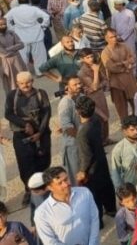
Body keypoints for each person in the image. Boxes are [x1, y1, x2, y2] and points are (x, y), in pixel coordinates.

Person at [5, 72, 51, 205]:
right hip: (21, 135)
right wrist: (25, 124)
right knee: (25, 164)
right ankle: (29, 190)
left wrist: (40, 133)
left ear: (32, 81)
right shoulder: (12, 96)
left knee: (43, 161)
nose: (25, 85)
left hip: (41, 133)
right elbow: (8, 114)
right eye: (22, 83)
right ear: (17, 83)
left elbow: (47, 113)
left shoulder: (40, 93)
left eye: (28, 82)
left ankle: (44, 188)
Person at [75, 95, 117, 228]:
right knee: (106, 185)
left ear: (78, 111)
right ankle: (111, 209)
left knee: (94, 195)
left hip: (91, 169)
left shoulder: (82, 132)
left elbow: (86, 155)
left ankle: (98, 222)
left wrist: (82, 171)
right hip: (101, 160)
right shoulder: (96, 120)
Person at [34, 166, 99, 245]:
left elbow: (94, 218)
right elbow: (50, 241)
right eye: (60, 183)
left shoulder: (85, 193)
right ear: (50, 187)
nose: (66, 184)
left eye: (66, 179)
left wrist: (92, 243)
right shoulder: (42, 213)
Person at [101, 28, 137, 119]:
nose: (114, 39)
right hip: (116, 83)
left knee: (135, 102)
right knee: (121, 107)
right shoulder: (105, 53)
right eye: (111, 37)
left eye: (115, 36)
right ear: (106, 38)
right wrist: (125, 65)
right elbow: (111, 67)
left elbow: (133, 58)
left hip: (129, 79)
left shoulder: (124, 46)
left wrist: (121, 64)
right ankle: (125, 123)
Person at [0, 17, 26, 92]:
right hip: (5, 63)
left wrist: (9, 49)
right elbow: (4, 53)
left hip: (17, 61)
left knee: (22, 80)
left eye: (4, 24)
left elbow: (21, 45)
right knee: (10, 84)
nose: (3, 26)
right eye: (1, 25)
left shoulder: (11, 33)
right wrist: (15, 49)